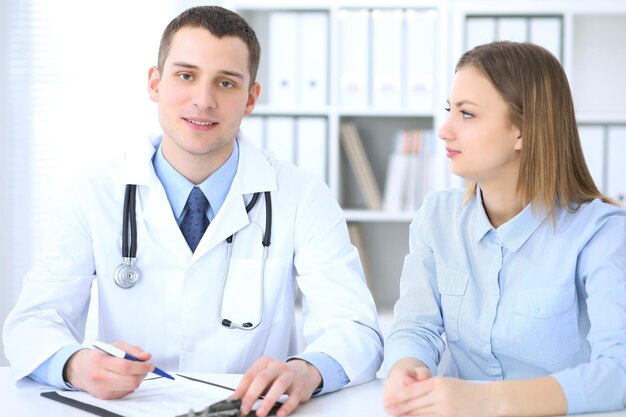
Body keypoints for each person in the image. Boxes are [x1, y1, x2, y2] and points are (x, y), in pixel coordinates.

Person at [2, 6, 383, 417]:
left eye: (226, 82)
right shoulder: (93, 192)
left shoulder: (302, 196)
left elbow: (355, 328)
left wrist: (308, 370)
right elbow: (34, 321)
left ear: (251, 98)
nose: (203, 100)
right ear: (155, 83)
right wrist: (74, 365)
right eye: (186, 75)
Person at [383, 40, 626, 416]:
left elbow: (618, 373)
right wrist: (406, 372)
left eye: (467, 114)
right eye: (450, 110)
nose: (445, 131)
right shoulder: (437, 218)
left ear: (523, 132)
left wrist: (482, 401)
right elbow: (416, 326)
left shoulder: (601, 233)